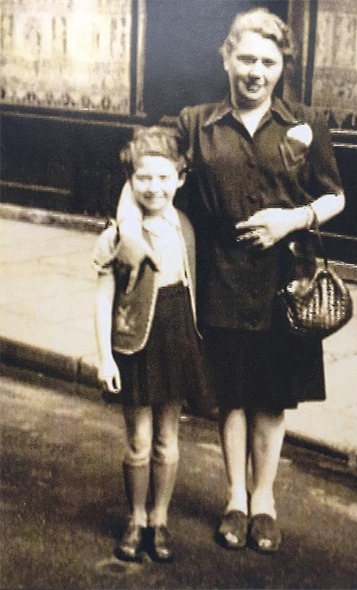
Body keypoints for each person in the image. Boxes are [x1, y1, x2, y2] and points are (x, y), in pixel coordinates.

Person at [117, 8, 345, 554]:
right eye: (246, 59)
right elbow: (144, 164)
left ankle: (264, 501)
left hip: (284, 282)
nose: (256, 72)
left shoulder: (302, 123)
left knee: (272, 397)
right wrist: (128, 226)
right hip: (219, 275)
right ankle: (235, 500)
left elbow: (334, 195)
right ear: (226, 58)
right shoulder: (196, 122)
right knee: (231, 395)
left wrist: (293, 218)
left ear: (281, 65)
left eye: (268, 62)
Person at [93, 126, 208, 563]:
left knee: (167, 439)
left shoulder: (185, 226)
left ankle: (160, 519)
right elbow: (103, 297)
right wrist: (105, 357)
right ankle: (136, 518)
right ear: (130, 181)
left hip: (176, 336)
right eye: (143, 178)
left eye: (164, 178)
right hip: (135, 342)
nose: (154, 187)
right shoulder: (118, 235)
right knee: (139, 439)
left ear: (180, 178)